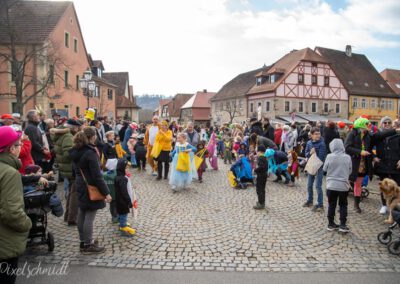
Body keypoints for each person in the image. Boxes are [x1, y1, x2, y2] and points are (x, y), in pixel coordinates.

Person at [69, 127, 112, 254]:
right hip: (90, 186)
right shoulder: (90, 153)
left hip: (80, 184)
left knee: (82, 213)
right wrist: (106, 192)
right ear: (92, 137)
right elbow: (97, 176)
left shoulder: (76, 151)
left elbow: (74, 170)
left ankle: (83, 242)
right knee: (89, 216)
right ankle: (88, 245)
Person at [0, 126, 32, 284]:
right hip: (4, 243)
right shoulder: (10, 173)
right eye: (19, 144)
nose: (21, 148)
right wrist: (27, 224)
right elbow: (12, 212)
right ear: (11, 149)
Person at [51, 118, 81, 225]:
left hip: (66, 168)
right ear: (73, 127)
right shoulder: (68, 136)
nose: (78, 129)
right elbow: (68, 154)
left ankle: (68, 216)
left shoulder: (62, 134)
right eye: (77, 127)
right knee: (74, 194)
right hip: (70, 168)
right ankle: (72, 218)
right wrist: (78, 150)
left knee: (71, 193)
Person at [371, 116, 400, 214]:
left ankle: (396, 205)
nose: (387, 124)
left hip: (395, 166)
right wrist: (374, 156)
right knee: (383, 187)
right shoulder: (377, 135)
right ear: (381, 124)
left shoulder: (397, 135)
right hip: (383, 165)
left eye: (389, 122)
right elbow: (369, 147)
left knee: (397, 187)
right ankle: (384, 205)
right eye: (385, 122)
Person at [344, 117, 373, 214]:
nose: (366, 130)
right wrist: (360, 152)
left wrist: (374, 156)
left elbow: (371, 148)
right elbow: (347, 147)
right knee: (347, 184)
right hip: (352, 163)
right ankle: (342, 204)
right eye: (365, 128)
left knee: (358, 184)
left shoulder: (368, 136)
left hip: (363, 164)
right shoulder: (352, 133)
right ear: (360, 126)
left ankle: (356, 205)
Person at [323, 139, 352, 233]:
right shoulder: (347, 157)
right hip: (343, 185)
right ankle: (342, 225)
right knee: (343, 205)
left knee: (331, 204)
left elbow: (325, 169)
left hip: (331, 185)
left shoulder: (329, 156)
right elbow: (350, 170)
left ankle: (330, 224)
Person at [303, 127, 326, 212]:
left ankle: (320, 204)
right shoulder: (309, 143)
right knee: (309, 185)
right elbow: (306, 154)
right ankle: (310, 201)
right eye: (316, 134)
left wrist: (314, 153)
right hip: (311, 166)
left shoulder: (322, 144)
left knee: (318, 186)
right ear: (311, 135)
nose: (318, 135)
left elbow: (321, 157)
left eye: (319, 133)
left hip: (319, 167)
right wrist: (310, 153)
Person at [115, 159, 136, 236]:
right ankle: (123, 227)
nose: (128, 169)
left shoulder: (119, 177)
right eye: (126, 168)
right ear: (121, 168)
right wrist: (129, 202)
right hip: (123, 202)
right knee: (124, 213)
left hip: (119, 201)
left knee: (121, 213)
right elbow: (124, 192)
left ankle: (122, 222)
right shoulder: (122, 179)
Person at [103, 159, 118, 223]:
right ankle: (116, 216)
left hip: (109, 194)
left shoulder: (104, 175)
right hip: (116, 193)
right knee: (116, 205)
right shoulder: (117, 174)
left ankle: (113, 217)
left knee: (112, 206)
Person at [253, 145, 268, 210]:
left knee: (259, 189)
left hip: (261, 175)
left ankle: (261, 203)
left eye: (257, 151)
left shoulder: (260, 158)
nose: (256, 152)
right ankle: (262, 202)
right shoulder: (264, 157)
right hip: (264, 175)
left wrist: (255, 170)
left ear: (260, 151)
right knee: (262, 189)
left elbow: (261, 167)